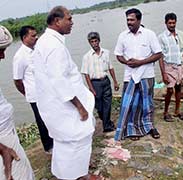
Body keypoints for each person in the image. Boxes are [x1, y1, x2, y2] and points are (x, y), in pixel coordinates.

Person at [32, 6, 98, 180]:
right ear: (57, 21)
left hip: (55, 106)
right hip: (65, 106)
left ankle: (75, 174)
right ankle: (78, 176)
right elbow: (59, 80)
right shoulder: (53, 46)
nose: (72, 22)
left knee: (64, 144)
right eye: (69, 18)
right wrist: (80, 107)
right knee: (79, 139)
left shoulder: (47, 41)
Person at [114, 8, 162, 142]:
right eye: (127, 20)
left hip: (147, 74)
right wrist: (127, 62)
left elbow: (158, 54)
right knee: (132, 104)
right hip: (129, 76)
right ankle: (132, 129)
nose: (129, 22)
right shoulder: (123, 36)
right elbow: (118, 55)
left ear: (139, 20)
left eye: (132, 20)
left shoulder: (149, 34)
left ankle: (150, 126)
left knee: (147, 103)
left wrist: (140, 62)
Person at [0, 25, 35, 180]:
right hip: (4, 144)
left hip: (9, 138)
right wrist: (3, 149)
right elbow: (18, 81)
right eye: (0, 50)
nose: (3, 56)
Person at [13, 25, 53, 154]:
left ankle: (56, 141)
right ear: (25, 38)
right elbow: (17, 81)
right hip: (35, 96)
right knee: (41, 121)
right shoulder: (20, 56)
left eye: (37, 35)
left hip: (46, 92)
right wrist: (27, 93)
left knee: (51, 117)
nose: (36, 38)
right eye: (33, 36)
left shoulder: (37, 50)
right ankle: (48, 147)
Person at [81, 32, 119, 133]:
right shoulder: (87, 57)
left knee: (107, 103)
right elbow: (86, 74)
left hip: (105, 81)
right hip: (95, 83)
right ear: (89, 43)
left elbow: (111, 68)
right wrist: (91, 88)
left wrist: (115, 82)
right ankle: (106, 121)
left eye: (96, 41)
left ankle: (106, 126)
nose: (94, 43)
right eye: (92, 42)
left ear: (99, 41)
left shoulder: (105, 53)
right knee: (100, 107)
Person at [158, 13, 183, 122]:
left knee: (178, 89)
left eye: (173, 23)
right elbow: (160, 57)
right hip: (169, 66)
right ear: (165, 23)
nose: (172, 25)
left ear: (176, 22)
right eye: (169, 23)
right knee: (169, 90)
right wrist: (163, 73)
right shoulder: (162, 37)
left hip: (179, 65)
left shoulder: (180, 34)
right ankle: (166, 112)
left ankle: (177, 111)